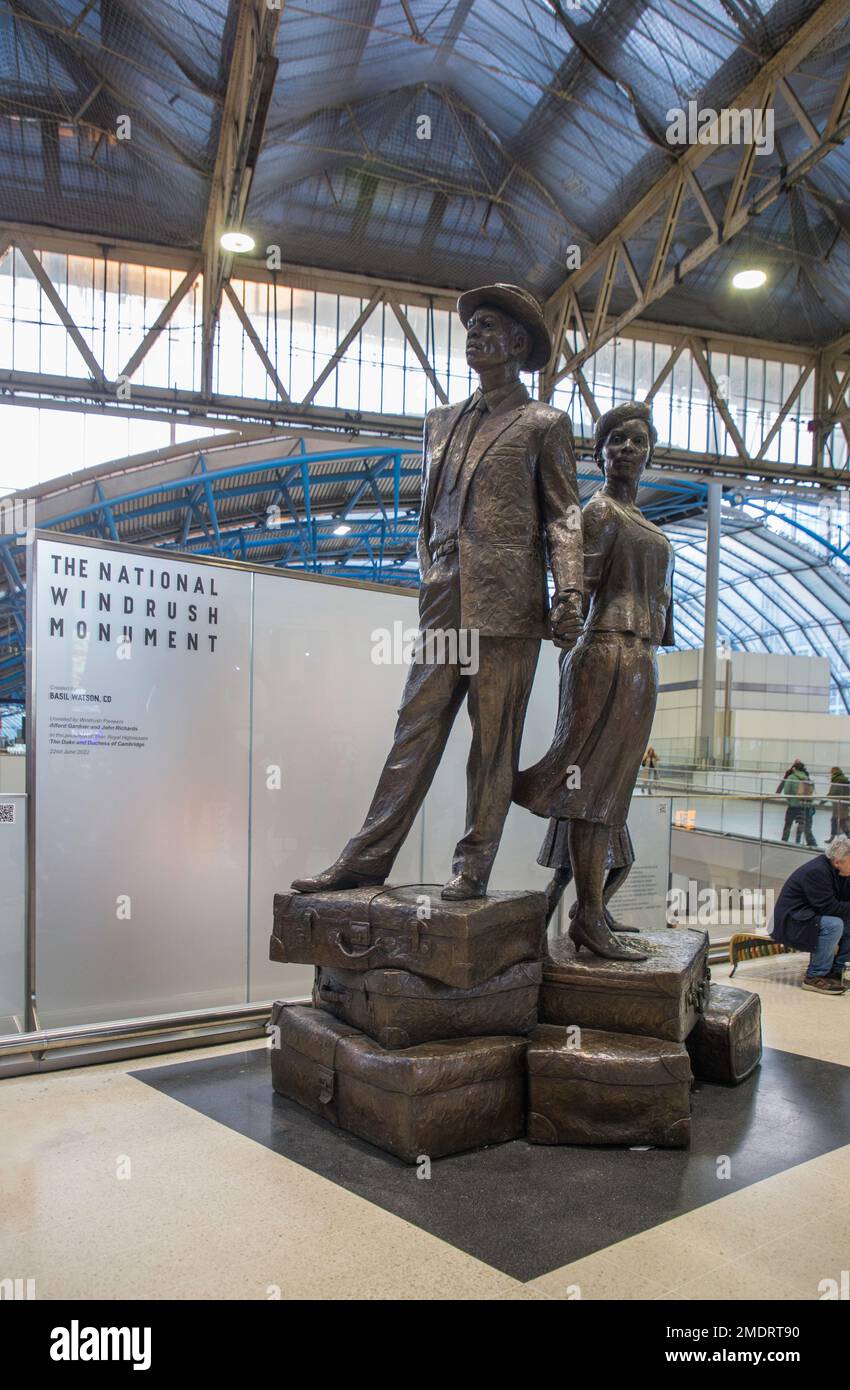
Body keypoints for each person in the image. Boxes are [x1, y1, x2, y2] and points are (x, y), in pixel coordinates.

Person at [291, 284, 584, 901]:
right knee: (414, 729)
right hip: (444, 599)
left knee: (493, 738)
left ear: (517, 343)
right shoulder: (440, 422)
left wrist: (570, 591)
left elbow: (563, 515)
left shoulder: (543, 424)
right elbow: (428, 517)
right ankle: (367, 858)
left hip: (507, 603)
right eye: (470, 326)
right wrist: (429, 573)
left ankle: (474, 864)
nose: (473, 335)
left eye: (486, 326)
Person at [514, 400, 674, 960]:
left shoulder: (648, 525)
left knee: (612, 791)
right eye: (616, 440)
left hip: (641, 659)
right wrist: (565, 631)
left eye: (638, 440)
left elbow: (661, 611)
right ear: (601, 452)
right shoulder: (599, 513)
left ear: (650, 451)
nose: (628, 449)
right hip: (605, 651)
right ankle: (586, 917)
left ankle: (592, 909)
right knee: (589, 787)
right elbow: (576, 587)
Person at [770, 836, 850, 995]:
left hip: (811, 917)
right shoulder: (817, 872)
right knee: (834, 925)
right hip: (793, 921)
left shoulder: (840, 873)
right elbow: (829, 907)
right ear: (836, 862)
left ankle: (839, 970)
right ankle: (815, 976)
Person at [779, 760, 814, 845]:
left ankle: (784, 842)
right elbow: (811, 791)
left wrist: (791, 800)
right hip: (805, 805)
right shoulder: (807, 777)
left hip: (793, 806)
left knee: (788, 824)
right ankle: (804, 842)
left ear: (794, 768)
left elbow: (787, 791)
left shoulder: (791, 777)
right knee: (804, 826)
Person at [827, 766, 850, 842]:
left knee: (834, 820)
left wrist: (825, 798)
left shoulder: (837, 780)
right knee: (842, 821)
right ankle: (848, 835)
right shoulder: (844, 779)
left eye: (831, 772)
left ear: (834, 772)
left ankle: (832, 837)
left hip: (838, 804)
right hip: (844, 804)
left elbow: (833, 792)